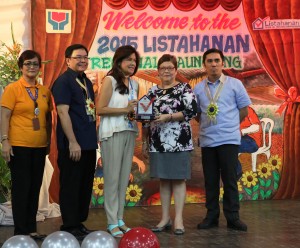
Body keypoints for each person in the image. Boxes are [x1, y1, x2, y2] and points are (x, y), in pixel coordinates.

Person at [194, 48, 250, 232]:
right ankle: (211, 216)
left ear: (223, 63)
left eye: (217, 60)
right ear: (204, 65)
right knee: (210, 180)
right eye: (209, 61)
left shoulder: (235, 84)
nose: (213, 64)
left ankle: (233, 217)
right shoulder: (198, 89)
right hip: (208, 141)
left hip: (228, 140)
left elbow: (244, 110)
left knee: (230, 179)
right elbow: (197, 114)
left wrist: (230, 125)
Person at [142, 54, 197, 235]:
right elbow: (144, 118)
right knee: (164, 180)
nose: (166, 71)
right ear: (158, 71)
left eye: (170, 68)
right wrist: (144, 141)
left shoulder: (184, 89)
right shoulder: (151, 92)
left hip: (179, 141)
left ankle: (179, 219)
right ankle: (165, 218)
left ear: (175, 70)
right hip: (157, 142)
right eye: (163, 68)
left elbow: (192, 110)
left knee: (178, 179)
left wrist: (170, 116)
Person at [1, 50, 52, 240]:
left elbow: (47, 118)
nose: (32, 67)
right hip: (19, 146)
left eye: (36, 64)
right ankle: (20, 231)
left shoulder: (44, 91)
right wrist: (5, 141)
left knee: (34, 187)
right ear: (21, 67)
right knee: (22, 188)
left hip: (39, 147)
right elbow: (4, 116)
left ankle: (31, 228)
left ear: (40, 67)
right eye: (28, 64)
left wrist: (47, 143)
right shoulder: (12, 89)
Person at [52, 44, 98, 240]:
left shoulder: (85, 80)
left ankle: (78, 222)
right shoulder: (63, 82)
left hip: (88, 143)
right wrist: (72, 142)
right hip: (74, 144)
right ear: (67, 60)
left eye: (85, 57)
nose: (82, 60)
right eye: (78, 57)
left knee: (84, 184)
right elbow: (63, 112)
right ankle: (69, 224)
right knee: (71, 184)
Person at [97, 45, 140, 238]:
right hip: (112, 133)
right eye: (128, 59)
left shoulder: (135, 84)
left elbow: (132, 110)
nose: (132, 63)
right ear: (119, 61)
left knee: (123, 178)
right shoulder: (110, 80)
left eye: (134, 60)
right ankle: (111, 221)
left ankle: (120, 218)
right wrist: (125, 110)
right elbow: (100, 109)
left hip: (129, 132)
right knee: (112, 179)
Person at [237, 106, 263, 178]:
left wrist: (242, 132)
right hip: (241, 138)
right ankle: (236, 172)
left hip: (253, 141)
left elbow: (256, 127)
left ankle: (237, 173)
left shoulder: (247, 110)